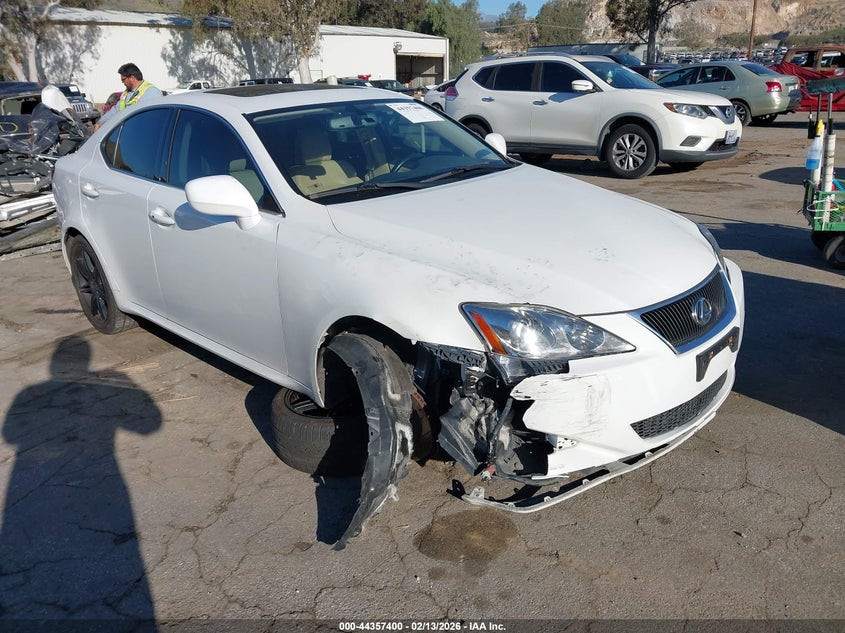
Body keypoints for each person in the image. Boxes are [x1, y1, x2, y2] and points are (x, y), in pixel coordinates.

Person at [95, 62, 162, 129]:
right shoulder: (126, 93)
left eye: (123, 80)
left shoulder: (151, 92)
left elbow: (147, 118)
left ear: (132, 78)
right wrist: (100, 123)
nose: (122, 82)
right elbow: (115, 110)